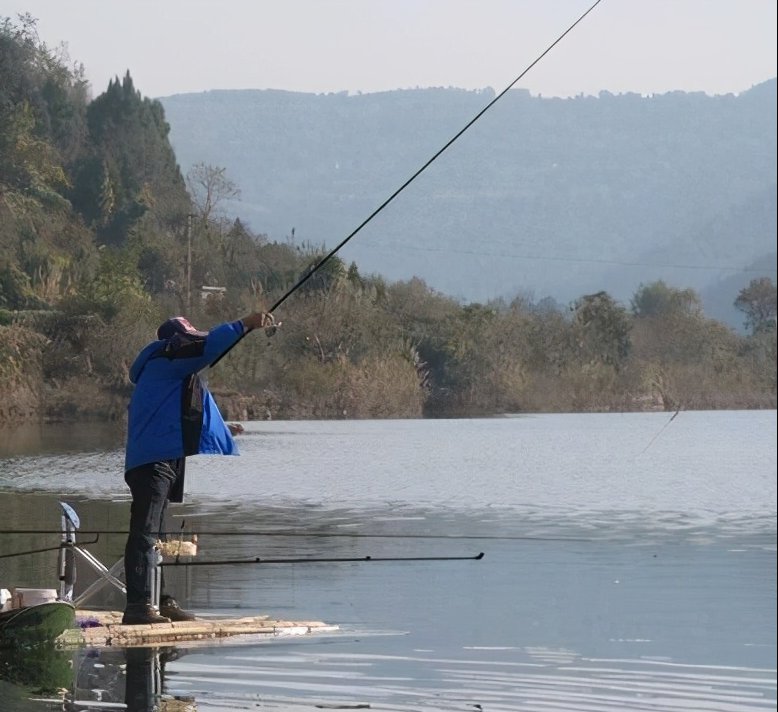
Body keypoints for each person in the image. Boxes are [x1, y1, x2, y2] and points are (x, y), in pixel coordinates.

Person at [122, 311, 274, 625]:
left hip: (162, 457)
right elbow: (209, 346)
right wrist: (244, 324)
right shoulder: (165, 359)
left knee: (156, 535)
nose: (191, 342)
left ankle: (160, 601)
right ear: (173, 342)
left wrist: (222, 429)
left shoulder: (169, 369)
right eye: (187, 337)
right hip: (153, 460)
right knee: (145, 533)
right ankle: (138, 606)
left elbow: (185, 411)